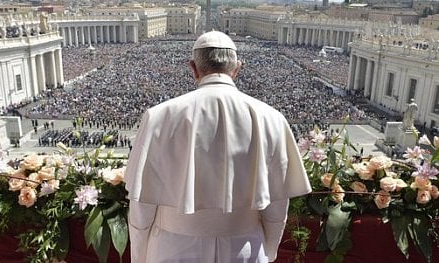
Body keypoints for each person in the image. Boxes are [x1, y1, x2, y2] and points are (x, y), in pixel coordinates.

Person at [124, 31, 311, 263]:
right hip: (245, 249)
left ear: (193, 68)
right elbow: (276, 206)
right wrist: (268, 250)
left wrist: (140, 256)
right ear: (237, 69)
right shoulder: (271, 118)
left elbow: (142, 206)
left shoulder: (158, 116)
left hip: (172, 249)